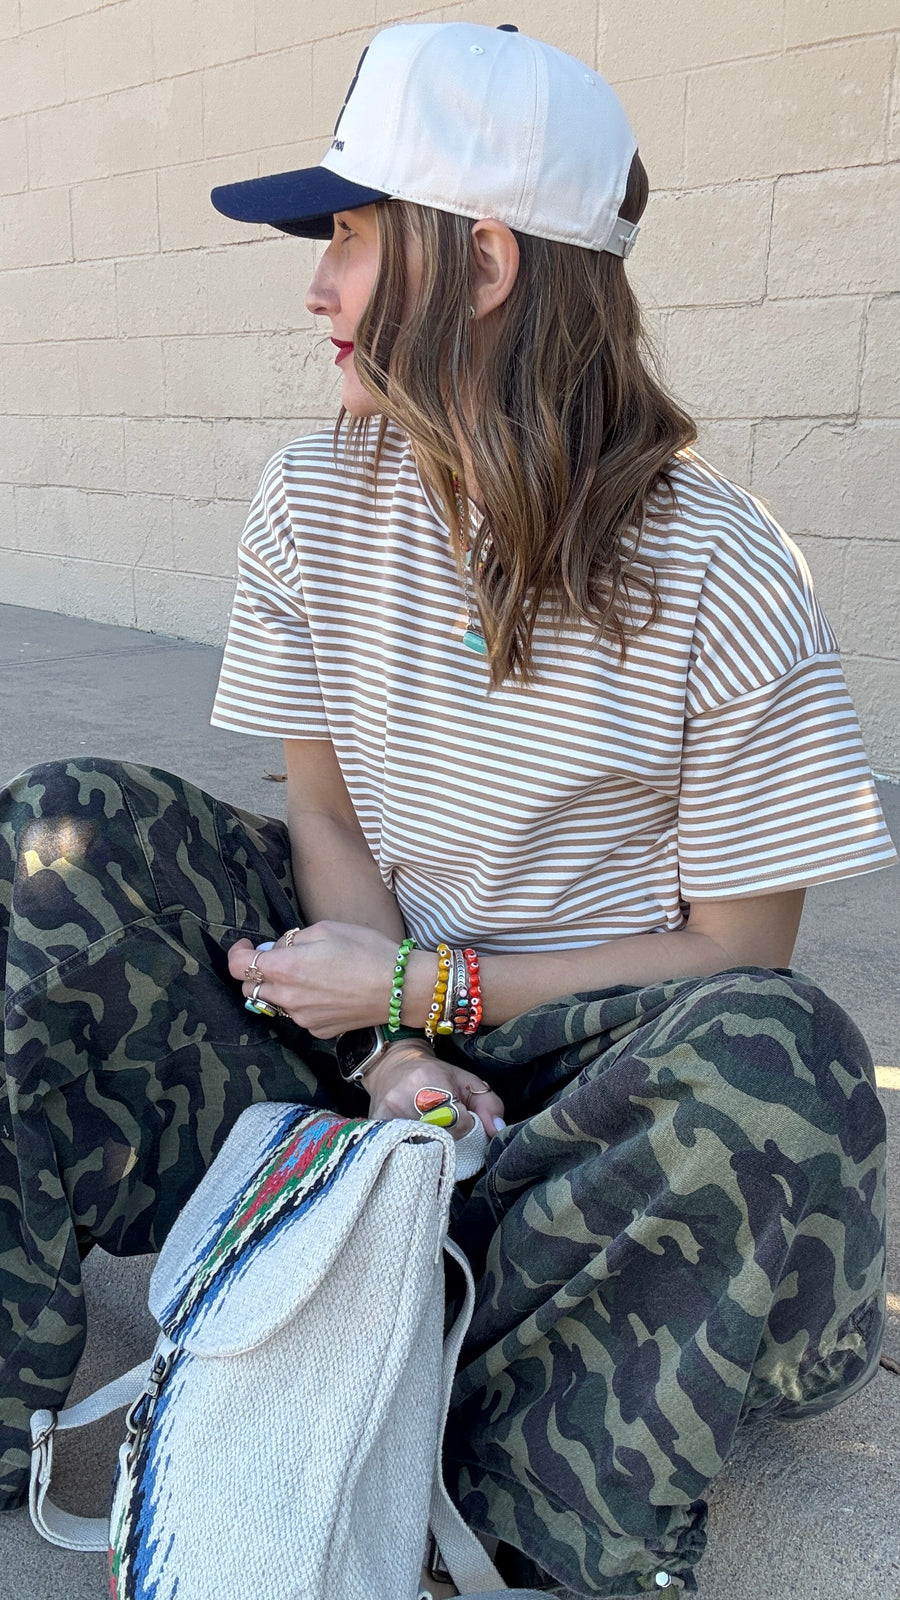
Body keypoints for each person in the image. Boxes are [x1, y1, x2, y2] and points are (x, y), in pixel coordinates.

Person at [0, 20, 896, 1598]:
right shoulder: (315, 499)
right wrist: (387, 1037)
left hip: (593, 1072)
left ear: (482, 263)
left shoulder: (723, 572)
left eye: (348, 232)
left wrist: (446, 995)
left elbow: (737, 953)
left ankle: (526, 1504)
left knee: (784, 1063)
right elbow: (327, 815)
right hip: (362, 1013)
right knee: (60, 838)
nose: (317, 286)